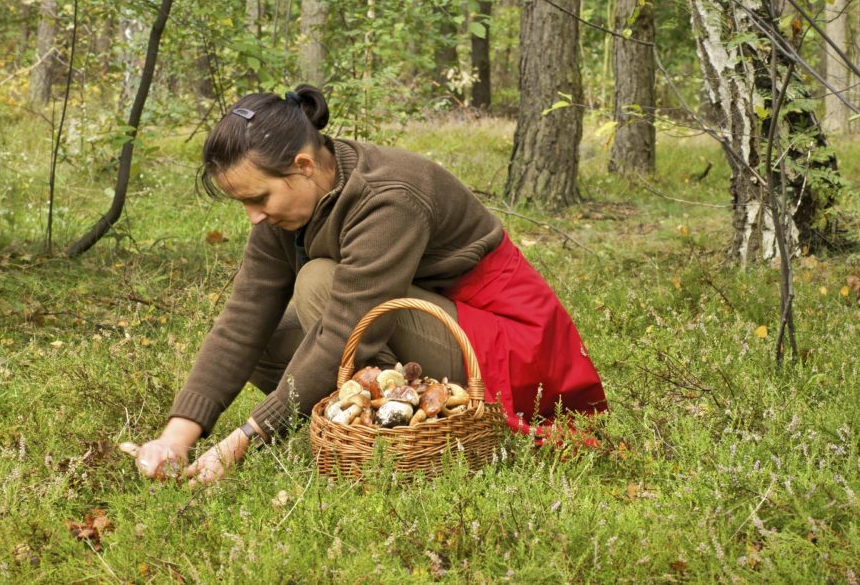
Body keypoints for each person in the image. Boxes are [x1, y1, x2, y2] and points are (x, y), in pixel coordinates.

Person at [131, 85, 608, 485]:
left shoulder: (388, 196)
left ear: (302, 166)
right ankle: (382, 422)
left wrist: (242, 441)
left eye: (259, 198)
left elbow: (347, 330)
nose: (253, 216)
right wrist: (177, 437)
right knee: (268, 337)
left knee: (319, 283)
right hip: (434, 322)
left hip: (509, 346)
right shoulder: (286, 210)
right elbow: (242, 319)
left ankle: (404, 439)